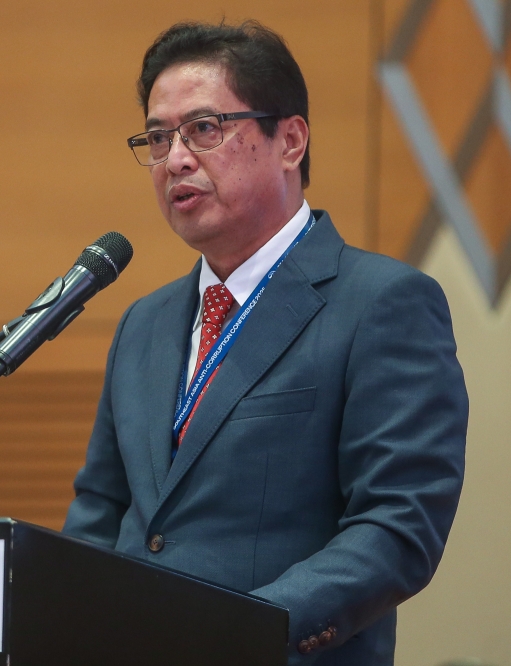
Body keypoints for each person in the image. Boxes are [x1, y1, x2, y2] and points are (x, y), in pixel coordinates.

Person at [62, 20, 468, 665]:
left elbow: (397, 523)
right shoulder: (142, 322)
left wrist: (243, 631)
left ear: (290, 140)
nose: (175, 159)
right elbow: (100, 512)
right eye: (158, 137)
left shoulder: (381, 303)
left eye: (203, 128)